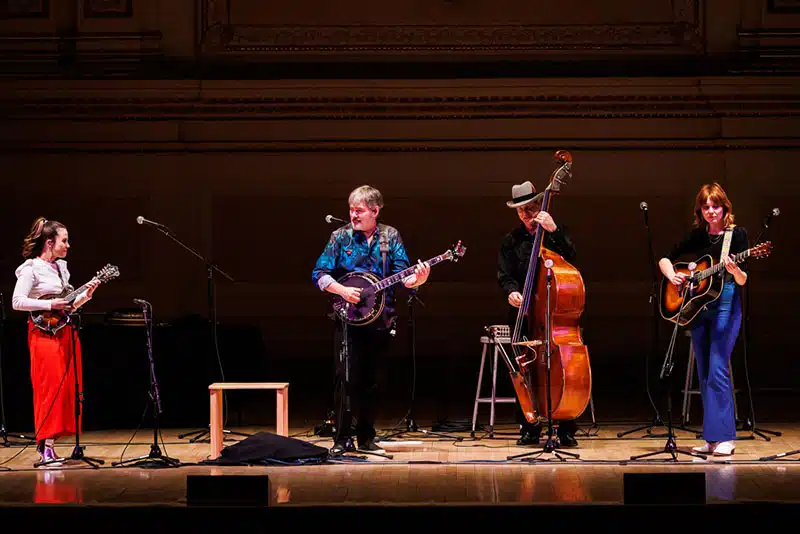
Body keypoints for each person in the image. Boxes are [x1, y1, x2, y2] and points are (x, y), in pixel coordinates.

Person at [312, 185, 430, 454]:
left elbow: (405, 276)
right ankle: (342, 438)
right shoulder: (340, 238)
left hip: (380, 320)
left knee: (374, 381)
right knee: (345, 379)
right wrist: (342, 290)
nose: (353, 215)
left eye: (360, 210)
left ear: (375, 211)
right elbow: (319, 274)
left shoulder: (391, 237)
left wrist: (419, 280)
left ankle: (366, 437)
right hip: (347, 321)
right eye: (351, 210)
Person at [658, 182, 748, 456]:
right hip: (700, 308)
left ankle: (726, 438)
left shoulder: (738, 235)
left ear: (725, 208)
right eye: (706, 207)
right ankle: (711, 438)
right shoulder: (698, 236)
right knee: (704, 373)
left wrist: (734, 270)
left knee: (718, 369)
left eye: (715, 206)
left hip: (726, 305)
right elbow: (665, 258)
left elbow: (743, 280)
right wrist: (672, 275)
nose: (711, 211)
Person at [12, 217, 100, 467]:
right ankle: (43, 445)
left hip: (64, 330)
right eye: (64, 240)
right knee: (49, 387)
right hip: (43, 335)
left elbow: (67, 307)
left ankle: (52, 443)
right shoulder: (31, 268)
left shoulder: (62, 268)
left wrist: (86, 296)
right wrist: (50, 303)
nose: (68, 245)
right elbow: (17, 302)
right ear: (49, 242)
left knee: (66, 389)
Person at [498, 181, 580, 447]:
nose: (526, 215)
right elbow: (504, 276)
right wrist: (511, 292)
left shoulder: (555, 234)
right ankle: (529, 425)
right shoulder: (510, 241)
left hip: (552, 316)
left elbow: (572, 259)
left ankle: (566, 425)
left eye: (530, 208)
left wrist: (553, 231)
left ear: (539, 206)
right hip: (523, 315)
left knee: (560, 368)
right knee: (525, 370)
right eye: (520, 211)